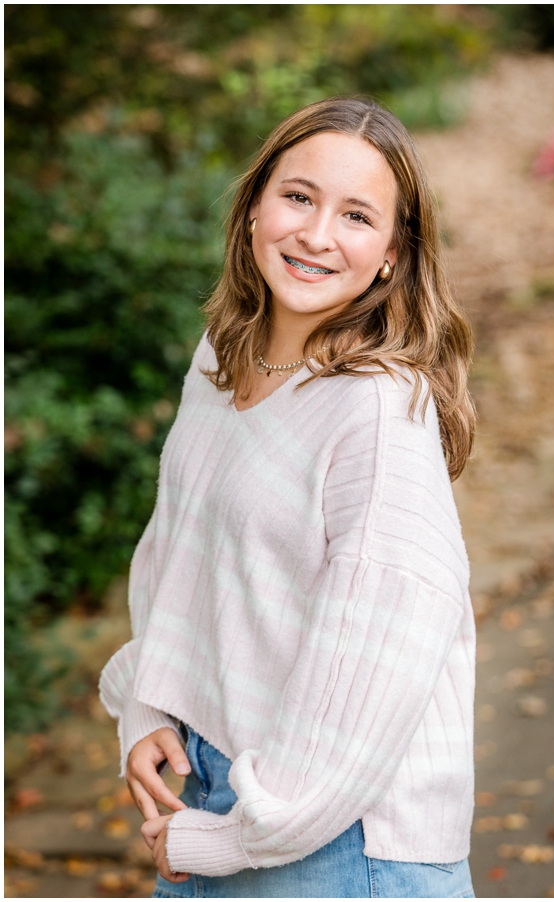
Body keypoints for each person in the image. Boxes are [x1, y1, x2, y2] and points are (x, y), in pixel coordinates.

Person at [98, 97, 478, 898]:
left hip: (344, 844)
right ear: (253, 210)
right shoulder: (220, 362)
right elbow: (176, 558)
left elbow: (381, 659)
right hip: (216, 795)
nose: (315, 235)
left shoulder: (377, 409)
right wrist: (149, 707)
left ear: (390, 255)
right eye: (298, 197)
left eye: (356, 216)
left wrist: (234, 836)